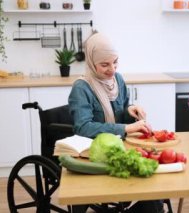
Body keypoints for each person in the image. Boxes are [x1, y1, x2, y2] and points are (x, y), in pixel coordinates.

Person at [68, 32, 164, 213]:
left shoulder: (117, 79)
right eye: (104, 64)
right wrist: (126, 128)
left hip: (120, 147)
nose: (112, 69)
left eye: (115, 62)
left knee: (154, 188)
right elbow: (83, 128)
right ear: (91, 61)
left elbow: (120, 112)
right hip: (93, 154)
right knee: (151, 196)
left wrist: (130, 111)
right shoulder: (81, 88)